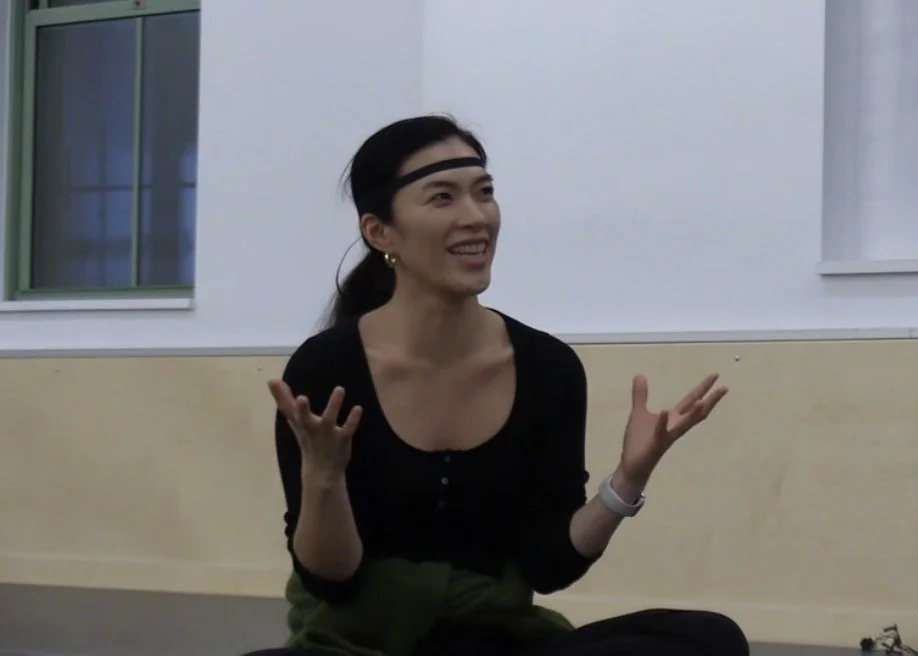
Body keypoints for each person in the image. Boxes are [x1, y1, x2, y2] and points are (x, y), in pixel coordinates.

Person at [245, 115, 748, 656]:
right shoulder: (327, 371)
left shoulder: (546, 368)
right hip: (358, 643)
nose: (475, 217)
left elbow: (547, 565)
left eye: (484, 194)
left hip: (497, 642)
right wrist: (323, 477)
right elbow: (331, 580)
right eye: (442, 198)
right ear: (380, 232)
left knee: (706, 639)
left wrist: (627, 479)